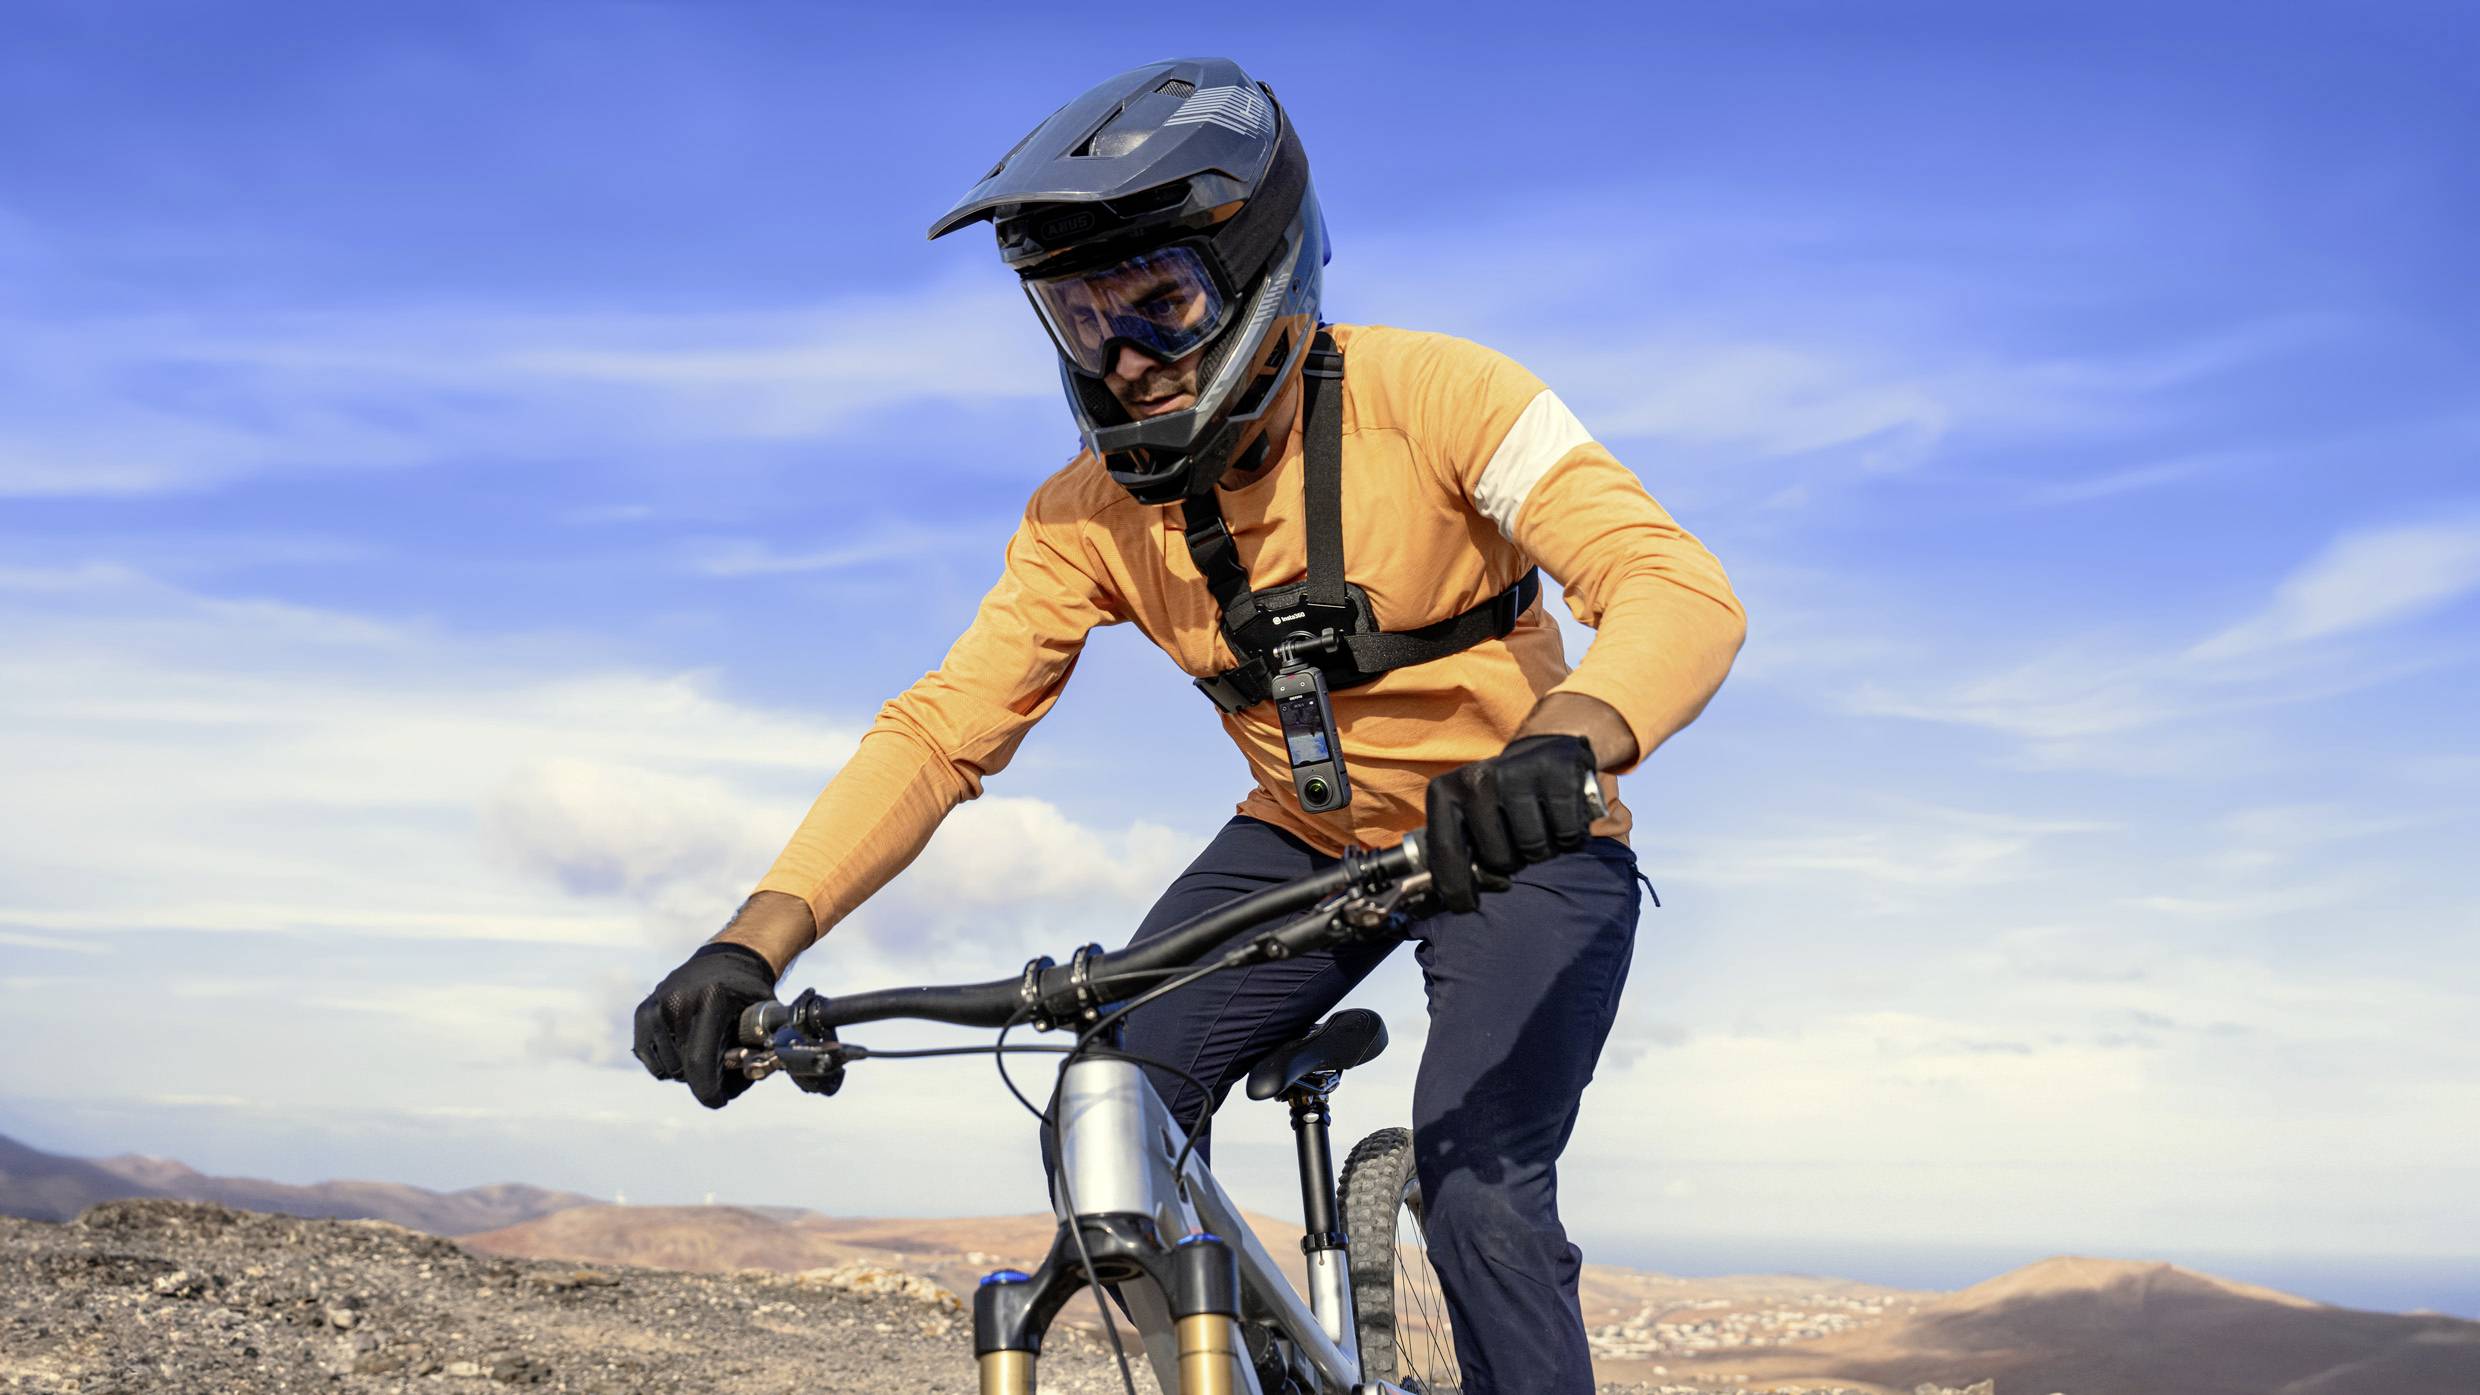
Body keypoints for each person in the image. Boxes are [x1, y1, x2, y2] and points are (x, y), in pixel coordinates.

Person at [633, 56, 1745, 1392]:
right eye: (1079, 318)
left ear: (1267, 272)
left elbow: (1672, 585)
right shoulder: (1082, 516)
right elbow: (941, 733)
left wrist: (1564, 742)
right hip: (1307, 837)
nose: (1126, 361)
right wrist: (749, 940)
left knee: (1478, 1184)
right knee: (1105, 1105)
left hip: (1518, 839)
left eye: (1160, 304)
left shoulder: (1446, 394)